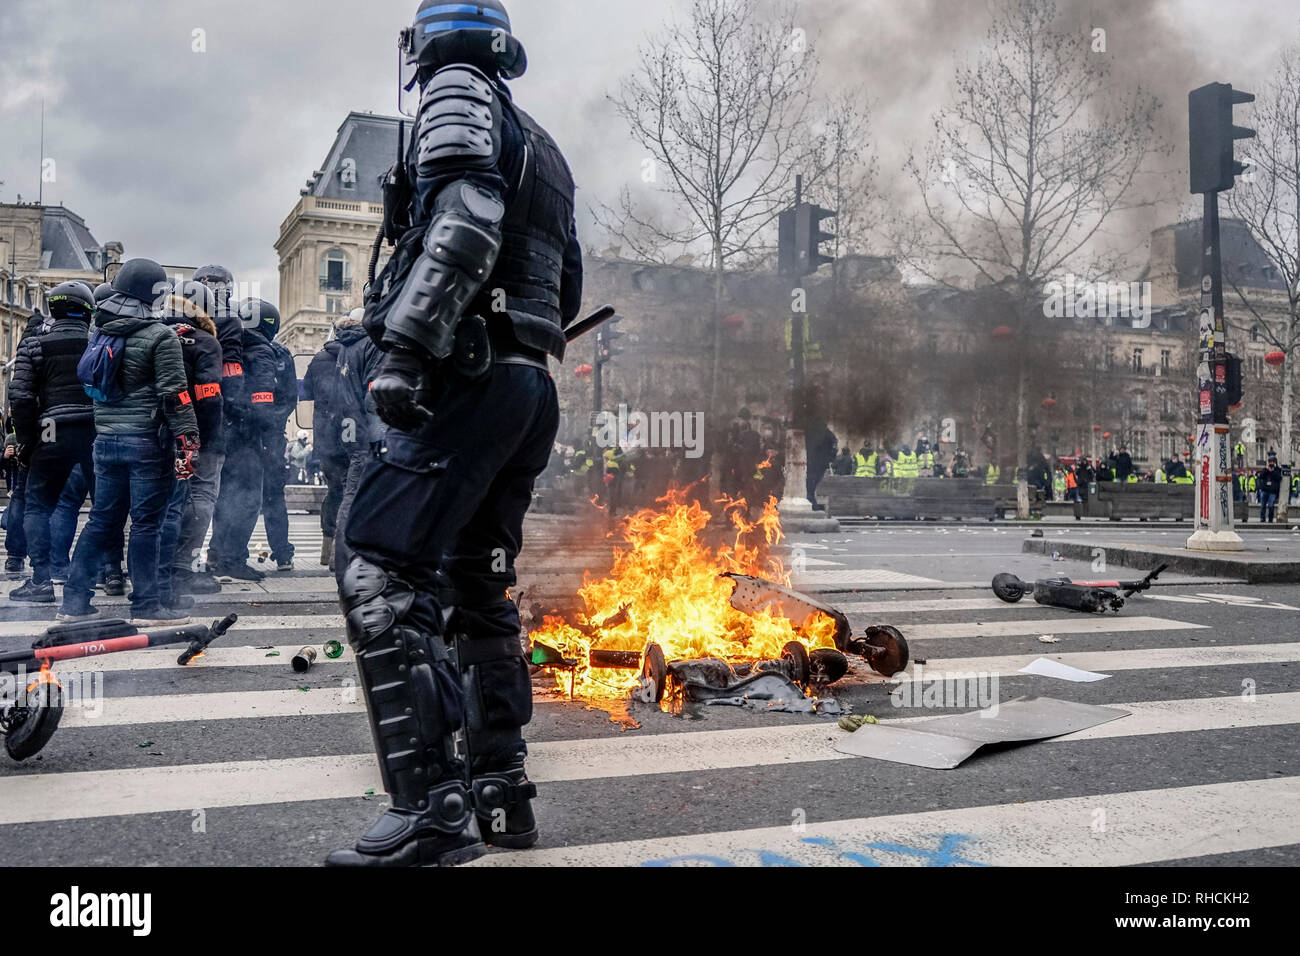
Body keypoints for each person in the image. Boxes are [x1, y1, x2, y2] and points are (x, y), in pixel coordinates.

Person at [328, 0, 581, 867]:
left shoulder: (456, 90)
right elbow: (567, 287)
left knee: (378, 563)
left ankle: (429, 810)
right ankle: (499, 795)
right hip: (526, 381)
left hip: (464, 370)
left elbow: (467, 216)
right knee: (478, 585)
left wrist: (405, 349)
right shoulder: (543, 145)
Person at [57, 258, 200, 625]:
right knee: (146, 525)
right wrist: (189, 440)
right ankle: (147, 605)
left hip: (105, 442)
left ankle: (74, 602)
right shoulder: (161, 337)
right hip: (146, 445)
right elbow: (175, 394)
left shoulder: (101, 332)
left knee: (102, 521)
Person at [8, 282, 97, 603]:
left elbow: (19, 397)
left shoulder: (34, 344)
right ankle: (100, 573)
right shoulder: (97, 342)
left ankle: (41, 580)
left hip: (50, 428)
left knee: (39, 506)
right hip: (93, 429)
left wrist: (26, 442)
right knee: (106, 507)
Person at [156, 283, 225, 610]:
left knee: (161, 501)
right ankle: (183, 565)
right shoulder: (205, 342)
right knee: (201, 496)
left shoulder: (154, 335)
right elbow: (210, 396)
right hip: (197, 434)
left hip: (156, 433)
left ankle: (153, 569)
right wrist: (207, 440)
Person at [208, 299, 285, 578]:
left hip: (219, 430)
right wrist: (268, 436)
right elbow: (263, 399)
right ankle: (233, 559)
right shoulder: (261, 350)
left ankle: (216, 555)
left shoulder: (224, 343)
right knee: (248, 498)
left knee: (224, 497)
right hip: (247, 434)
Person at [1257, 458, 1282, 523]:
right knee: (1263, 505)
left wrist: (1273, 471)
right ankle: (1262, 518)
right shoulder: (1265, 469)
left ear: (1275, 463)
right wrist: (1267, 469)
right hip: (1264, 490)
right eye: (1269, 462)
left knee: (1271, 505)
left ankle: (1270, 519)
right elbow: (1261, 476)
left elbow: (1279, 478)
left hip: (1272, 491)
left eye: (1272, 462)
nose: (1271, 464)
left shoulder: (1277, 470)